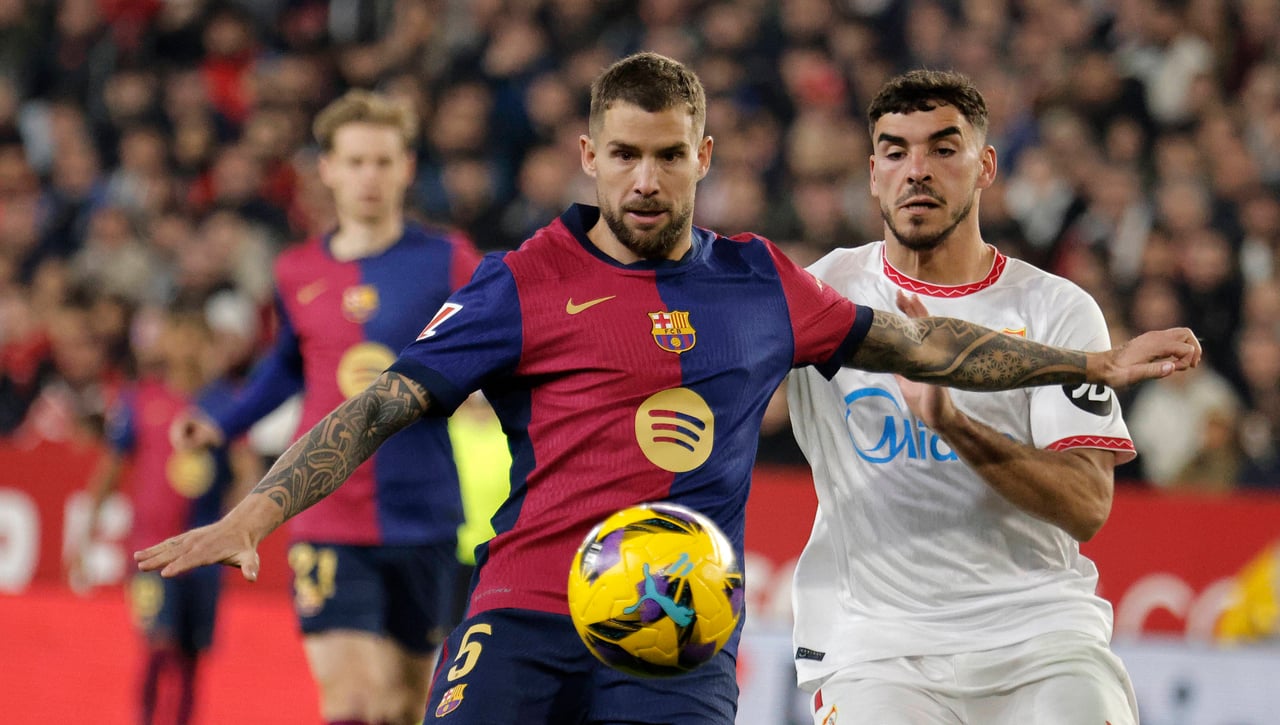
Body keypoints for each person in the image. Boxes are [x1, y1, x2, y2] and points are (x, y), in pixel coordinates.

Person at [138, 53, 1199, 725]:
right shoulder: (522, 279)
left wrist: (1087, 364)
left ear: (704, 156)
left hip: (679, 626)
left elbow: (927, 345)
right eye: (625, 156)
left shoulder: (763, 284)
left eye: (668, 156)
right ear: (589, 156)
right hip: (524, 607)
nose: (646, 180)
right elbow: (380, 402)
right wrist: (255, 512)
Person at [787, 69, 1148, 724]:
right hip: (879, 651)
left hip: (1042, 638)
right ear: (872, 173)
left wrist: (955, 424)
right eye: (896, 152)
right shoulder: (821, 295)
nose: (917, 170)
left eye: (943, 149)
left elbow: (1087, 506)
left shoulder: (1056, 309)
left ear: (985, 167)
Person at [167, 90, 482, 725]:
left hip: (424, 512)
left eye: (383, 161)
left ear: (407, 167)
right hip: (326, 513)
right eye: (356, 161)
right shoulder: (296, 270)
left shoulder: (448, 260)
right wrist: (223, 422)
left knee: (404, 706)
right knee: (352, 704)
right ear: (329, 169)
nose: (370, 176)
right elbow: (286, 364)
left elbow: (495, 346)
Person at [68, 307, 259, 725]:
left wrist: (238, 522)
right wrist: (83, 536)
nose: (185, 346)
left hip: (206, 553)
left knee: (192, 655)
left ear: (206, 346)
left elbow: (247, 470)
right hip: (150, 551)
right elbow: (109, 471)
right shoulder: (141, 400)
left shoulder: (225, 403)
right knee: (160, 643)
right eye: (178, 336)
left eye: (193, 338)